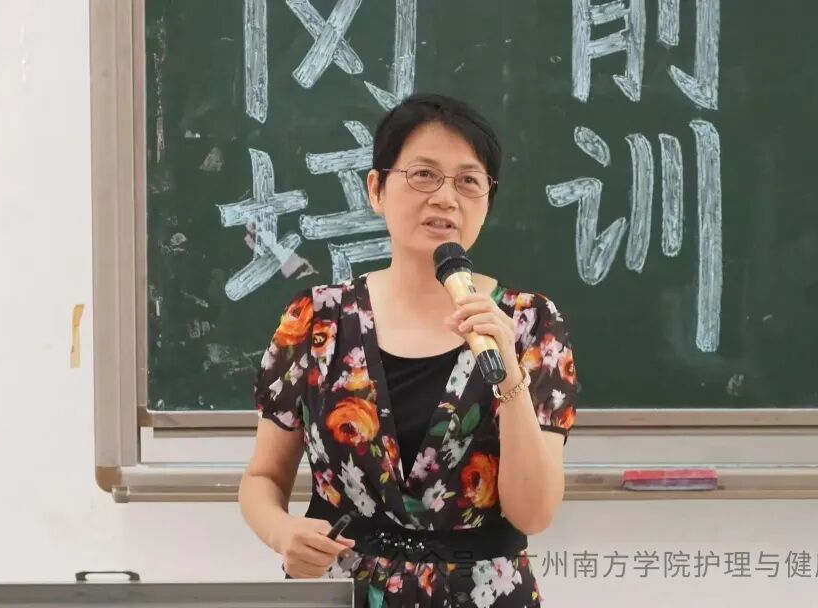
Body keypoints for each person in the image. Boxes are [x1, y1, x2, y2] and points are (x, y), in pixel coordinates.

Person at [238, 93, 579, 607]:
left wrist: (509, 375)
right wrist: (282, 533)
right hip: (341, 589)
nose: (446, 198)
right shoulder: (316, 318)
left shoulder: (529, 322)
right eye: (424, 175)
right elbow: (262, 477)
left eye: (469, 181)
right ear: (376, 188)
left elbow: (533, 514)